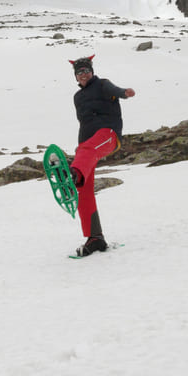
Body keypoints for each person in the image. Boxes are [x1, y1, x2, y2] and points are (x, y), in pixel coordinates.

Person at [68, 55, 135, 257]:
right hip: (88, 144)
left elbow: (115, 91)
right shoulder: (77, 98)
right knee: (84, 190)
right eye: (80, 72)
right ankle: (95, 238)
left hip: (109, 135)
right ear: (76, 76)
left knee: (84, 156)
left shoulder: (102, 85)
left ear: (92, 71)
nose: (84, 74)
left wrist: (124, 93)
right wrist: (81, 147)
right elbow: (84, 123)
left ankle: (73, 174)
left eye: (86, 71)